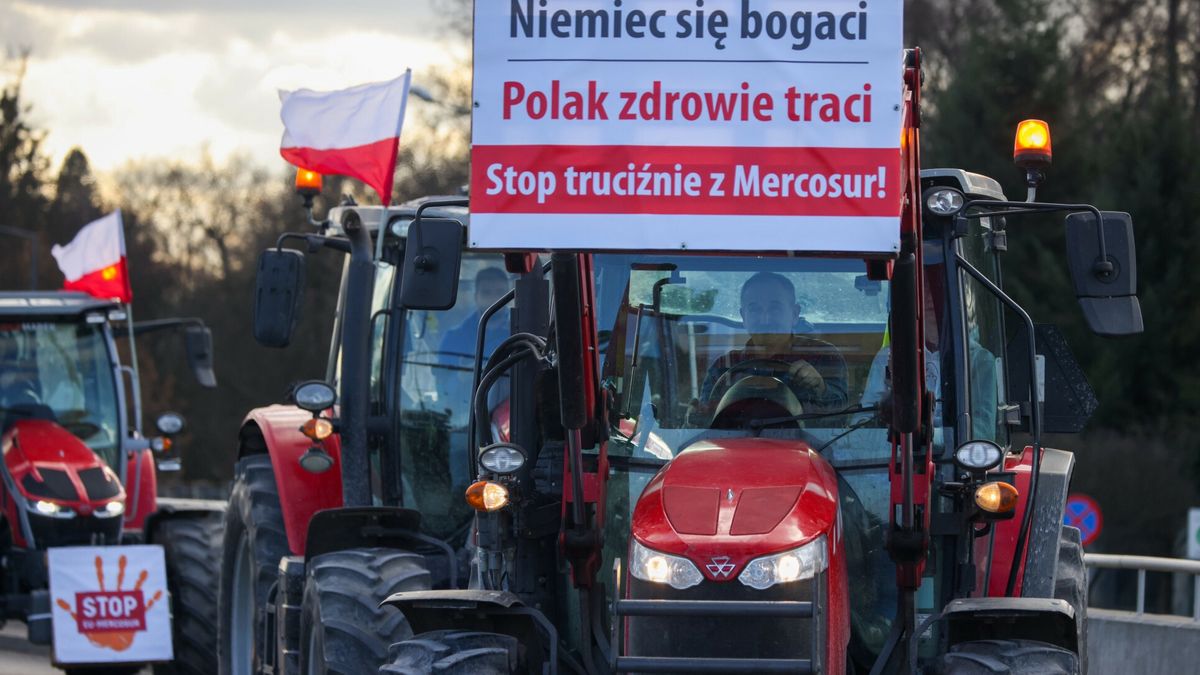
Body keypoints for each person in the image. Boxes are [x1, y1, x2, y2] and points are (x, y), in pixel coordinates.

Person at [699, 271, 849, 415]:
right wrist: (696, 413)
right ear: (743, 316)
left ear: (795, 314)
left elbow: (841, 415)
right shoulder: (724, 367)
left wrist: (820, 388)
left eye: (775, 309)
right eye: (755, 310)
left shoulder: (822, 356)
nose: (765, 319)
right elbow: (705, 421)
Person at [438, 266, 511, 363]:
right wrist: (460, 376)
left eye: (500, 292)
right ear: (476, 297)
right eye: (486, 293)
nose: (494, 299)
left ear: (509, 297)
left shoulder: (519, 334)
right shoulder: (453, 338)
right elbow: (443, 376)